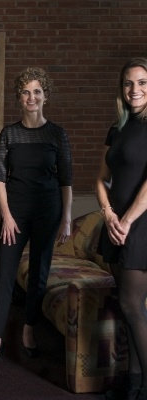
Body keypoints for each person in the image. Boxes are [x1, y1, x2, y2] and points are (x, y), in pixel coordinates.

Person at [0, 67, 73, 369]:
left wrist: (67, 217)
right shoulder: (9, 133)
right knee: (5, 274)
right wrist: (6, 216)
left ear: (45, 96)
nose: (31, 97)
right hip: (14, 213)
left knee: (39, 273)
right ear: (19, 98)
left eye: (37, 92)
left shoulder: (57, 134)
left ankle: (28, 330)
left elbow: (66, 181)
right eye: (25, 92)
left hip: (48, 209)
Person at [96, 57, 147, 400]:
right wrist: (108, 214)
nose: (135, 89)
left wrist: (126, 220)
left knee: (131, 304)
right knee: (128, 306)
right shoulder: (118, 127)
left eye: (143, 82)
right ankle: (133, 382)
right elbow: (101, 177)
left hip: (140, 224)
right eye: (129, 83)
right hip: (116, 223)